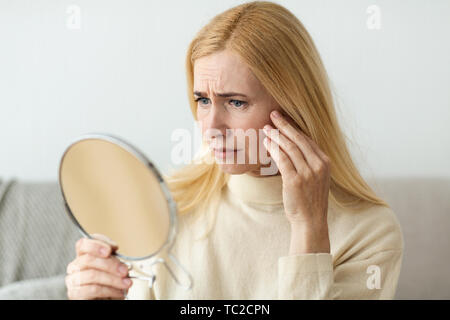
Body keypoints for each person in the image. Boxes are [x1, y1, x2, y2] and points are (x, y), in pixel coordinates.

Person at [65, 1, 404, 300]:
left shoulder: (370, 232)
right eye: (203, 100)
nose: (210, 128)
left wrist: (308, 229)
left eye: (236, 102)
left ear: (294, 107)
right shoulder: (165, 208)